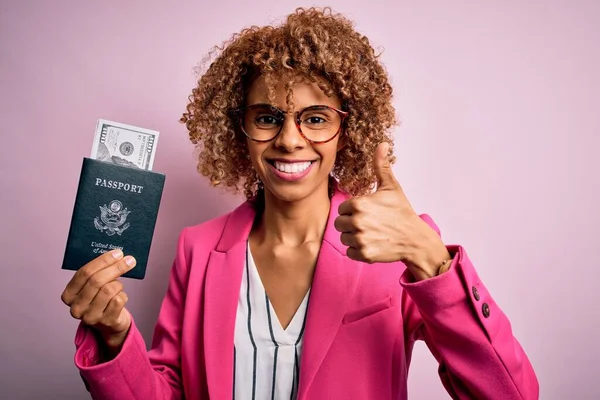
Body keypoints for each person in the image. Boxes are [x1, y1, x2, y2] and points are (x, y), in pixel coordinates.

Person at [61, 7, 539, 400]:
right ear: (239, 129)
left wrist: (429, 258)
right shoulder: (198, 249)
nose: (290, 140)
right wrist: (116, 337)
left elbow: (512, 395)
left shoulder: (399, 244)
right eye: (268, 117)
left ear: (347, 130)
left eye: (315, 118)